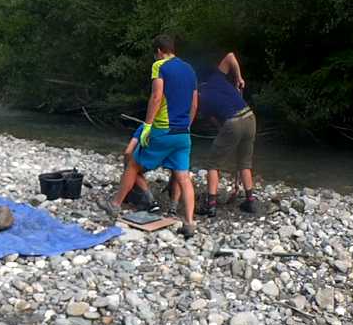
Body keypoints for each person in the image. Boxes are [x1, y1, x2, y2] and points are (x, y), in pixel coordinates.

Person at [105, 35, 198, 237]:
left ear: (158, 51)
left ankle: (114, 205)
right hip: (183, 133)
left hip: (162, 129)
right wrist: (187, 125)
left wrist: (147, 125)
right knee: (183, 176)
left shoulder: (160, 66)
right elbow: (194, 103)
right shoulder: (190, 69)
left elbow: (156, 96)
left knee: (133, 164)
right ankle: (190, 223)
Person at [197, 52, 257, 215]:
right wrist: (239, 78)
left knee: (212, 164)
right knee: (244, 162)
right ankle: (250, 201)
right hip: (250, 116)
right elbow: (231, 56)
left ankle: (211, 204)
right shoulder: (218, 78)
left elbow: (219, 125)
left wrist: (228, 136)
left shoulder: (202, 99)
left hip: (232, 122)